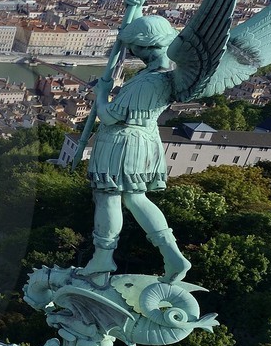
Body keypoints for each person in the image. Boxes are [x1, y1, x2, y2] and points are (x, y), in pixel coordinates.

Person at [81, 14, 191, 282]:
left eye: (136, 48)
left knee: (109, 196)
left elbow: (109, 116)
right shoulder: (164, 74)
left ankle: (103, 257)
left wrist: (101, 92)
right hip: (144, 140)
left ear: (148, 45)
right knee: (136, 197)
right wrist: (136, 7)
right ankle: (172, 255)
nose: (134, 53)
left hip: (122, 143)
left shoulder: (149, 81)